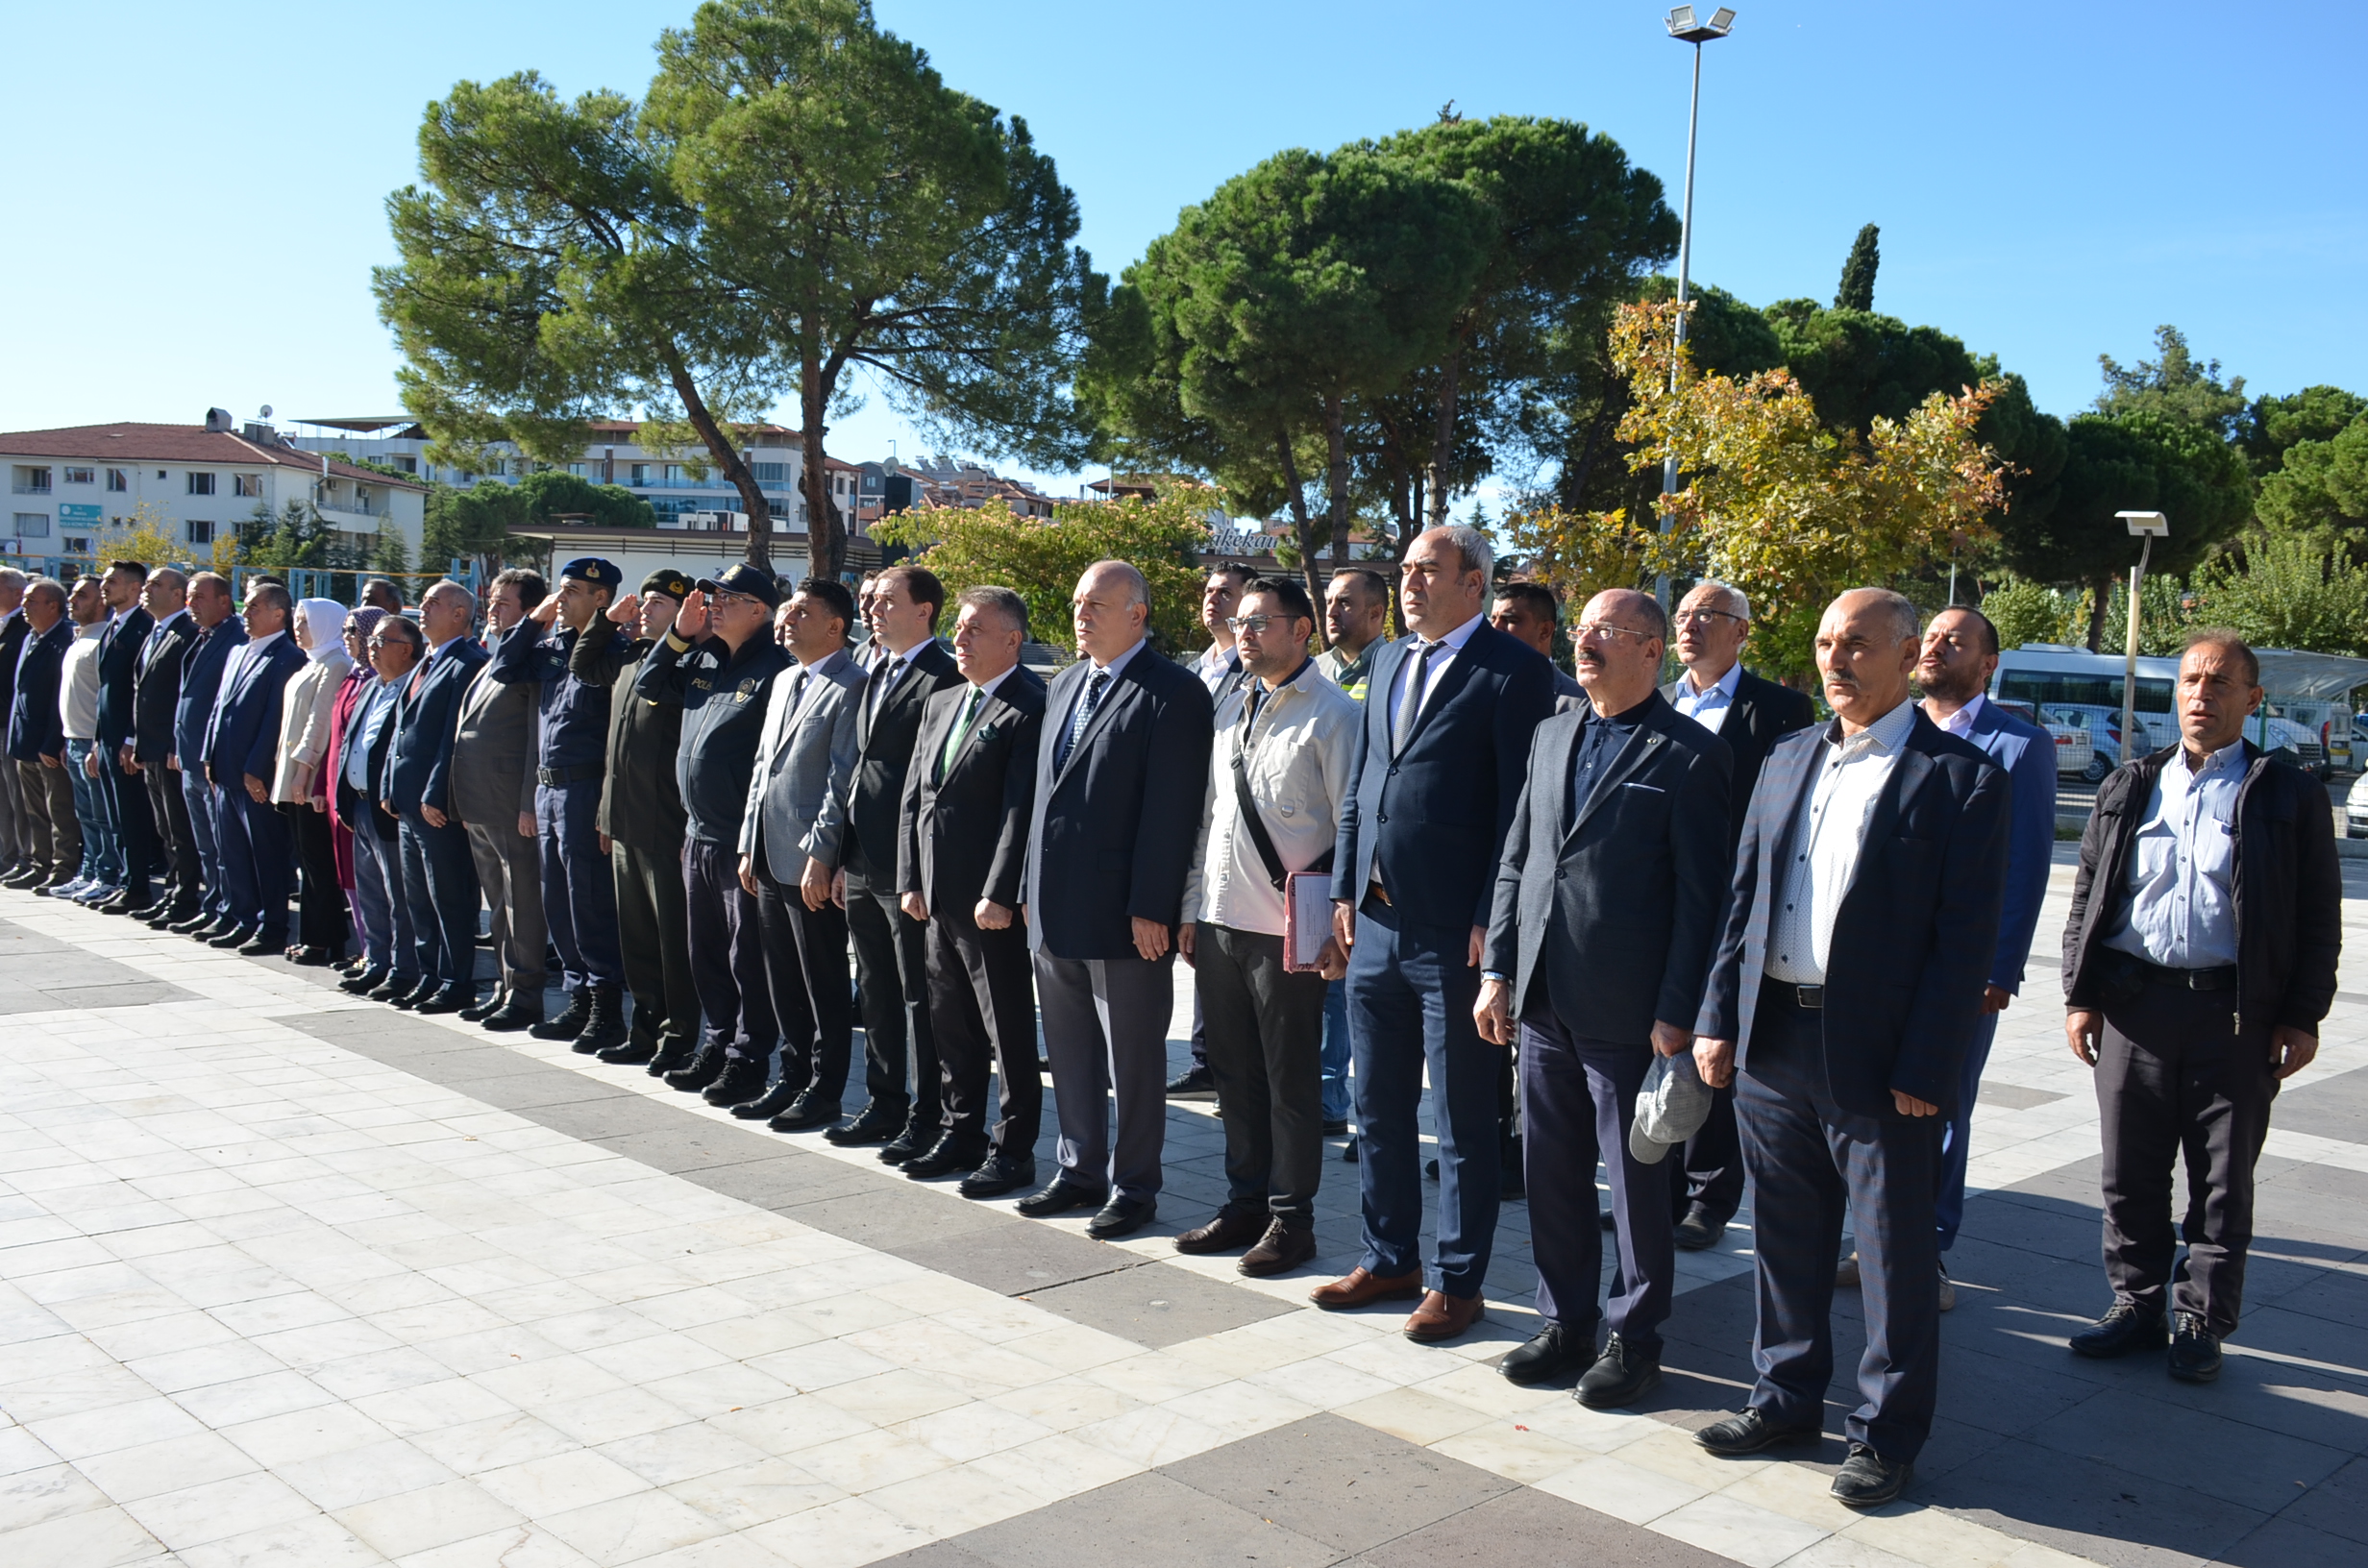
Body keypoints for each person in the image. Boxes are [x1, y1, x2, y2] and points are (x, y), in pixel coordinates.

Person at [1690, 588, 2008, 1509]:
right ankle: (1784, 1399)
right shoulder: (1788, 756)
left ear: (1908, 656)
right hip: (1773, 1038)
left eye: (1858, 643)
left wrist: (1928, 1066)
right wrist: (1718, 1016)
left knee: (1890, 1255)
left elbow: (1964, 941)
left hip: (1878, 1053)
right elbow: (1743, 901)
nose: (1836, 659)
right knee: (1784, 1236)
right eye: (1828, 642)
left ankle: (1885, 1435)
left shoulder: (1959, 777)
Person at [2061, 630, 2340, 1384]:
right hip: (2134, 1007)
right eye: (2189, 680)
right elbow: (2090, 892)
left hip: (2236, 1016)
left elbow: (2319, 916)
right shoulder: (2132, 783)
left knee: (2221, 1182)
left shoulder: (2288, 794)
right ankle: (2136, 1304)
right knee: (2129, 1173)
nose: (2200, 696)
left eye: (2219, 683)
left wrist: (2303, 1014)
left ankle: (2200, 1318)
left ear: (2253, 699)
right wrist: (2080, 994)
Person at [1479, 589, 1731, 1403]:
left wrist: (1678, 1010)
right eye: (1584, 629)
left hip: (1631, 1014)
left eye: (1608, 632)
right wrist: (1498, 971)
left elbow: (1703, 900)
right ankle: (1565, 1322)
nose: (1586, 642)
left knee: (1636, 1187)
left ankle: (1635, 1338)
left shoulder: (1691, 755)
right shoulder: (1552, 733)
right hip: (1542, 1000)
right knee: (1549, 1172)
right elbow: (1519, 858)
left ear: (1653, 651)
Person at [1313, 526, 1554, 1343]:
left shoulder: (1514, 671)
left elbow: (1520, 813)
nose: (1410, 582)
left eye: (1428, 571)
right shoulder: (1386, 661)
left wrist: (1494, 917)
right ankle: (1388, 1258)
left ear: (1473, 584)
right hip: (1376, 922)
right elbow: (1363, 787)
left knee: (1461, 1120)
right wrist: (1345, 890)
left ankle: (1458, 1281)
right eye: (1405, 569)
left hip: (1457, 936)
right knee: (1377, 1108)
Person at [1020, 560, 1216, 1237]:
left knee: (1133, 1062)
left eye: (1096, 605)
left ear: (1137, 614)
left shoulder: (1174, 691)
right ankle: (1078, 1172)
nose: (1081, 614)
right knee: (1069, 1052)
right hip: (1053, 906)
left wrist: (1153, 906)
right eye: (1079, 602)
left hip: (1127, 916)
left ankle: (1134, 1187)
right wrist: (1024, 887)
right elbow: (1043, 798)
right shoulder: (1065, 683)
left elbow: (1171, 810)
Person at [1174, 576, 1355, 1275]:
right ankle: (1244, 1203)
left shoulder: (1333, 715)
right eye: (1240, 621)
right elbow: (1209, 818)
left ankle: (1291, 1220)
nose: (1243, 632)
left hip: (1288, 932)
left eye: (1260, 622)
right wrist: (1192, 907)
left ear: (1301, 630)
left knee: (1289, 1080)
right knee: (1234, 1077)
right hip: (1220, 920)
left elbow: (1350, 828)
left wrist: (1337, 926)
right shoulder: (1231, 705)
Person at [1658, 580, 1816, 1251]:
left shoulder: (1779, 709)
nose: (1690, 625)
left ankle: (1709, 1198)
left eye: (1708, 616)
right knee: (1659, 1043)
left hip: (1731, 904)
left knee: (1713, 1041)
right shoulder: (1659, 699)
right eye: (1683, 614)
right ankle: (1658, 1187)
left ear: (1742, 632)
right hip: (1658, 901)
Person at [1909, 606, 2057, 1305]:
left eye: (1955, 641)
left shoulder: (2020, 745)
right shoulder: (1893, 727)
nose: (1937, 647)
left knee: (1941, 1105)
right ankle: (1877, 1240)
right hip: (1880, 961)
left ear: (1988, 663)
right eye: (1932, 636)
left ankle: (1927, 1251)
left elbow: (2025, 865)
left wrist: (1999, 968)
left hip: (1962, 969)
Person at [897, 586, 1046, 1195]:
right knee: (950, 1024)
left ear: (1012, 640)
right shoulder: (943, 701)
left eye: (975, 629)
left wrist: (1000, 892)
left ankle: (1013, 1151)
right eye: (958, 627)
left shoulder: (1030, 706)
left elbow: (1019, 811)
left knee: (1006, 1030)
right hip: (935, 897)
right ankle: (960, 1133)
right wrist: (911, 878)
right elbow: (915, 798)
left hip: (989, 906)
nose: (959, 638)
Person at [630, 565, 793, 1099]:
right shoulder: (703, 658)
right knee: (705, 953)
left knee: (746, 957)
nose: (715, 604)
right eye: (713, 596)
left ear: (760, 610)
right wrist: (679, 635)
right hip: (696, 833)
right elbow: (650, 684)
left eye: (728, 598)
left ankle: (748, 1059)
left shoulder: (776, 668)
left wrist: (753, 842)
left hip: (738, 840)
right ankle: (718, 1043)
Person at [820, 565, 962, 1156]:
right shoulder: (874, 668)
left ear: (923, 610)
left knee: (918, 997)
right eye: (871, 600)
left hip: (908, 868)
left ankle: (928, 1116)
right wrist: (838, 855)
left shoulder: (946, 676)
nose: (872, 609)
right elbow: (856, 768)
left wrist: (916, 871)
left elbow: (933, 785)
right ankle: (885, 1104)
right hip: (860, 859)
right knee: (874, 989)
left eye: (886, 601)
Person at [731, 581, 865, 1124]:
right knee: (782, 976)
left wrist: (822, 855)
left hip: (810, 860)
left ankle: (824, 1090)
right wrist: (748, 843)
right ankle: (790, 1078)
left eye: (801, 612)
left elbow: (841, 779)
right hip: (768, 853)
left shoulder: (852, 684)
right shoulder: (786, 678)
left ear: (835, 626)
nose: (786, 618)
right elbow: (762, 769)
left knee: (822, 981)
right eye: (786, 609)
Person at [496, 558, 630, 1050]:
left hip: (586, 789)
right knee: (558, 901)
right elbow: (505, 667)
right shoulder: (552, 647)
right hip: (549, 790)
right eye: (561, 589)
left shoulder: (615, 651)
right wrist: (534, 621)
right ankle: (577, 999)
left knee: (588, 901)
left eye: (572, 591)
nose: (562, 598)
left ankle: (605, 1008)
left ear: (601, 599)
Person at [591, 570, 700, 1069]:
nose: (646, 609)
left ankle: (678, 1036)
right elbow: (584, 664)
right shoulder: (632, 656)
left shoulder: (687, 662)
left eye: (659, 603)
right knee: (635, 935)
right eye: (647, 600)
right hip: (625, 818)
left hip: (664, 823)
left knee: (671, 939)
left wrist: (677, 638)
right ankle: (644, 1028)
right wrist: (606, 623)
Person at [1169, 562, 1256, 1100]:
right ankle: (1205, 1058)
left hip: (1226, 823)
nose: (1213, 599)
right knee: (1193, 941)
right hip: (1182, 821)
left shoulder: (1254, 673)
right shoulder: (1194, 670)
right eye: (1208, 590)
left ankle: (1222, 1067)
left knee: (1218, 944)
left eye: (1226, 592)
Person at [1313, 566, 1392, 1145]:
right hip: (1308, 853)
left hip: (1366, 859)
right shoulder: (1314, 671)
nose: (1332, 612)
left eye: (1346, 603)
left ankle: (1343, 1104)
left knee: (1351, 995)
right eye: (1329, 602)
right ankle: (1319, 1095)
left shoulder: (1392, 669)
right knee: (1320, 985)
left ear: (1377, 613)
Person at [382, 580, 488, 1012]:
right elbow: (401, 729)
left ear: (460, 614)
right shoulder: (428, 660)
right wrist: (390, 785)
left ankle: (455, 981)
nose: (422, 609)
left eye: (433, 603)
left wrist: (435, 793)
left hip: (436, 806)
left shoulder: (468, 663)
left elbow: (453, 738)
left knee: (450, 898)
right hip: (409, 803)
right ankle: (430, 976)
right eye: (423, 602)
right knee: (419, 899)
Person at [453, 568, 548, 1028]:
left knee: (521, 903)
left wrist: (529, 800)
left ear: (530, 611)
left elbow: (535, 736)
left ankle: (526, 995)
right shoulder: (493, 657)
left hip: (512, 804)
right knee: (497, 904)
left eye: (504, 603)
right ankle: (504, 987)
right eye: (491, 601)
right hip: (480, 802)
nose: (492, 609)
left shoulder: (532, 660)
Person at [199, 580, 306, 949]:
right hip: (225, 769)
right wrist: (209, 755)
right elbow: (219, 708)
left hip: (254, 777)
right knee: (232, 851)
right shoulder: (238, 652)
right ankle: (241, 916)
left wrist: (256, 769)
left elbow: (275, 718)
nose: (245, 612)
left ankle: (270, 926)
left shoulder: (288, 657)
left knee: (265, 854)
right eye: (245, 606)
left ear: (278, 614)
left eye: (254, 607)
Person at [340, 614, 423, 999]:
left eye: (380, 642)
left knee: (398, 897)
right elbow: (352, 742)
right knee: (371, 891)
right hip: (359, 806)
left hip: (389, 809)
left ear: (405, 650)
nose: (370, 648)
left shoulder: (415, 688)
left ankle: (404, 969)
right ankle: (377, 962)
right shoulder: (373, 686)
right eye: (371, 641)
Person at [269, 600, 353, 965]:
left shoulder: (335, 663)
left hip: (310, 778)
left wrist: (303, 770)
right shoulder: (313, 662)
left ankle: (322, 941)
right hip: (294, 775)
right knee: (308, 861)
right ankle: (313, 936)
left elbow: (319, 723)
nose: (298, 628)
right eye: (297, 620)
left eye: (305, 622)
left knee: (319, 863)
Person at [168, 574, 245, 933]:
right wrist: (177, 745)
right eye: (189, 597)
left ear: (224, 601)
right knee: (205, 844)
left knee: (223, 844)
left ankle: (231, 910)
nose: (191, 604)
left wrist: (213, 757)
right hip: (190, 758)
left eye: (199, 597)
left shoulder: (236, 640)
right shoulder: (202, 637)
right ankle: (213, 905)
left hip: (213, 761)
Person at [124, 569, 201, 926]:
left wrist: (173, 745)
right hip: (150, 748)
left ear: (177, 595)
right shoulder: (156, 632)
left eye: (156, 584)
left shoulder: (187, 632)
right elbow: (141, 691)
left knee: (181, 830)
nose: (146, 589)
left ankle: (185, 898)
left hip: (170, 751)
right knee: (165, 828)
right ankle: (172, 893)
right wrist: (134, 740)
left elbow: (184, 697)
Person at [318, 608, 385, 966]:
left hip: (364, 795)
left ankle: (375, 953)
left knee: (369, 879)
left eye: (353, 630)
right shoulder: (353, 677)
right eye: (344, 629)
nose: (347, 637)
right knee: (348, 873)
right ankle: (366, 949)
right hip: (338, 789)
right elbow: (335, 738)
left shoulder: (378, 681)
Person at [89, 561, 158, 913]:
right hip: (108, 738)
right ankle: (123, 881)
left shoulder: (143, 627)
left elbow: (140, 691)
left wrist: (132, 738)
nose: (105, 586)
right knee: (115, 818)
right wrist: (96, 741)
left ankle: (138, 887)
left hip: (127, 743)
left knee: (132, 817)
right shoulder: (113, 625)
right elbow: (104, 691)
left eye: (112, 581)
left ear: (134, 588)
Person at [4, 578, 77, 891]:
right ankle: (39, 864)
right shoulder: (31, 637)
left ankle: (63, 869)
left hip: (47, 745)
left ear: (53, 606)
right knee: (34, 811)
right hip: (24, 741)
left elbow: (60, 696)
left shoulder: (65, 638)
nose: (25, 605)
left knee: (58, 810)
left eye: (32, 601)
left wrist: (53, 741)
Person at [54, 577, 115, 904]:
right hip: (75, 741)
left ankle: (108, 876)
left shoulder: (104, 639)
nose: (72, 599)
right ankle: (90, 873)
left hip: (93, 745)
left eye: (82, 595)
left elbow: (107, 701)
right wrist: (68, 739)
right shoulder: (80, 638)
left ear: (101, 601)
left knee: (102, 816)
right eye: (73, 593)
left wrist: (95, 744)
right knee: (86, 816)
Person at [1489, 580, 1584, 712]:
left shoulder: (1579, 702)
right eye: (1493, 620)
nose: (1495, 629)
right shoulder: (1475, 688)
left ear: (1545, 630)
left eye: (1511, 621)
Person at [0, 568, 30, 881]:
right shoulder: (5, 626)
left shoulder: (24, 628)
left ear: (15, 592)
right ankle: (6, 855)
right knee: (3, 798)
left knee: (16, 797)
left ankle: (23, 857)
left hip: (10, 724)